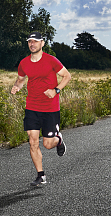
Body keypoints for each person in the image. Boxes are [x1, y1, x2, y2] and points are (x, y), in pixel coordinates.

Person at [10, 32, 71, 187]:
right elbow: (21, 79)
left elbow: (67, 76)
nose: (32, 44)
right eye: (30, 41)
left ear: (42, 43)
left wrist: (56, 90)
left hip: (50, 108)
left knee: (47, 144)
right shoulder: (24, 63)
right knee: (33, 142)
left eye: (35, 41)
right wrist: (17, 86)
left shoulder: (51, 60)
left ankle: (58, 140)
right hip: (32, 106)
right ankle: (40, 175)